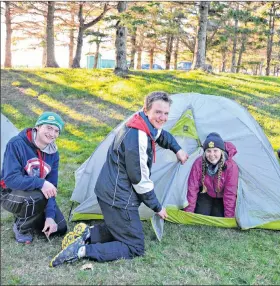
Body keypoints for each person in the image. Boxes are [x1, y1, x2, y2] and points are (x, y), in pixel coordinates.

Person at [50, 91, 189, 267]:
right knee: (135, 246)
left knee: (125, 229)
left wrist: (177, 149)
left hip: (110, 191)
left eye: (166, 113)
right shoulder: (137, 136)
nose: (162, 117)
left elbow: (161, 135)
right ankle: (81, 251)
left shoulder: (143, 124)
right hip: (119, 198)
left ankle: (89, 234)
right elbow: (139, 180)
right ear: (146, 110)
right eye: (158, 112)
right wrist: (157, 207)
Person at [0, 112, 67, 244]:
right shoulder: (16, 144)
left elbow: (52, 187)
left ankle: (32, 214)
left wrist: (49, 217)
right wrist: (41, 183)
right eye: (48, 127)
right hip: (8, 193)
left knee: (60, 228)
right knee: (37, 197)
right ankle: (22, 227)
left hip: (34, 193)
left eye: (56, 131)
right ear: (37, 127)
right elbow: (11, 179)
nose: (52, 134)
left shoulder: (54, 153)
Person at [184, 132, 239, 218]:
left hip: (222, 196)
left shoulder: (231, 167)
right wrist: (188, 213)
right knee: (201, 216)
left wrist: (229, 219)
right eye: (208, 151)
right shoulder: (199, 163)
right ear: (204, 152)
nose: (212, 155)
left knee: (218, 217)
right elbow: (192, 188)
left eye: (215, 150)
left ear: (221, 151)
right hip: (206, 193)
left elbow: (230, 193)